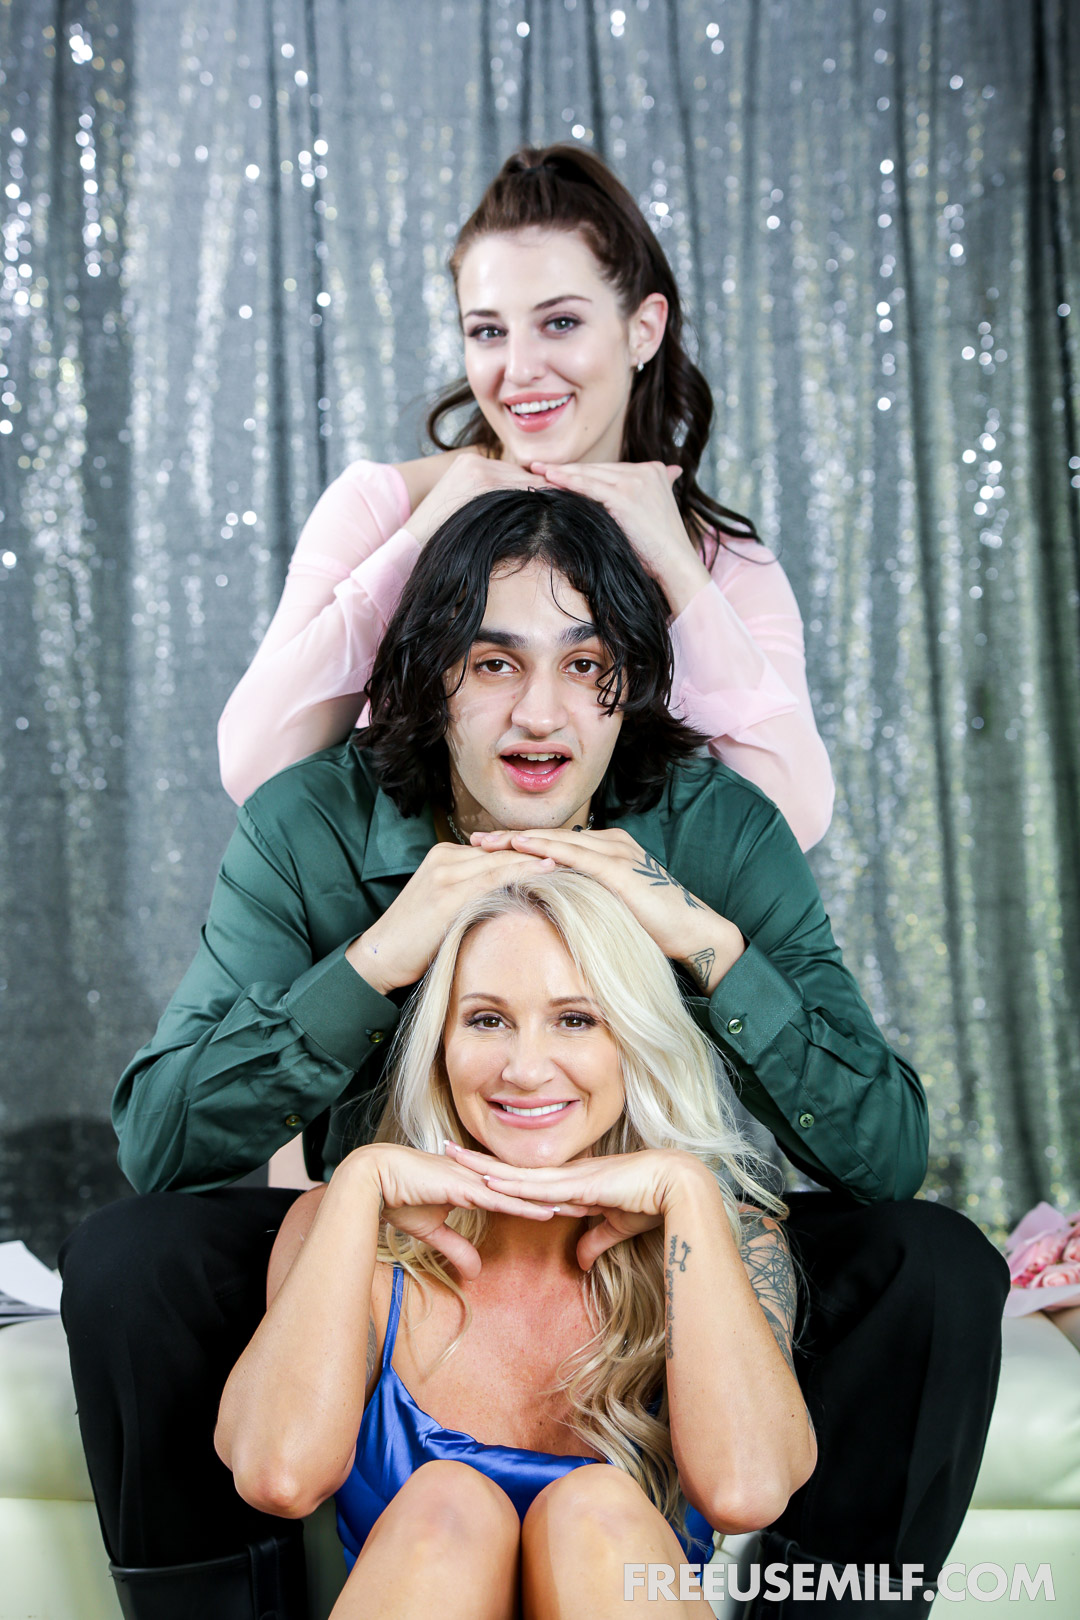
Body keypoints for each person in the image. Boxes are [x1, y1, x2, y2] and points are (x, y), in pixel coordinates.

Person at [61, 488, 1007, 1620]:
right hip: (412, 1235)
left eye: (586, 665)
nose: (541, 714)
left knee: (935, 1265)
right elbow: (162, 1140)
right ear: (430, 679)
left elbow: (886, 1152)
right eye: (494, 664)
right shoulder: (309, 824)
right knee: (129, 1260)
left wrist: (703, 943)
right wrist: (378, 959)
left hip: (643, 1232)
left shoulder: (717, 826)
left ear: (630, 687)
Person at [215, 868, 818, 1618]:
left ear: (635, 1039)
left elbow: (745, 1493)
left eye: (577, 1020)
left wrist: (688, 1194)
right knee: (446, 1506)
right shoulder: (343, 1226)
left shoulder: (731, 1239)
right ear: (439, 1045)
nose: (525, 1070)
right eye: (486, 1020)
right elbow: (277, 1476)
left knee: (598, 1511)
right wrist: (360, 1182)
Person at [216, 143, 834, 852]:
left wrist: (677, 569)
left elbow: (794, 820)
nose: (518, 369)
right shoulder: (381, 506)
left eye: (560, 323)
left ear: (643, 328)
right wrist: (417, 540)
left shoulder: (722, 562)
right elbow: (255, 770)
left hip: (631, 923)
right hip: (403, 916)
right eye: (488, 331)